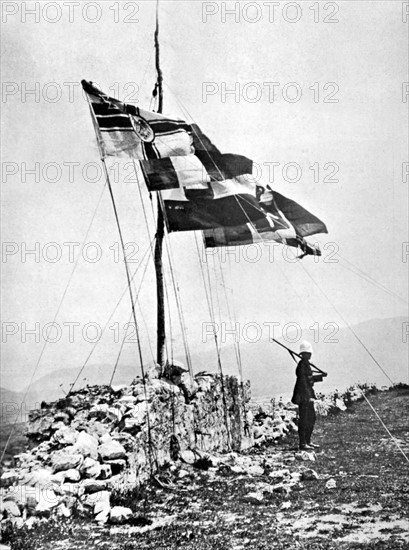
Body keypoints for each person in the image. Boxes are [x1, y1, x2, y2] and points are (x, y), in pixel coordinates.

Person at [291, 341, 324, 450]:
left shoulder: (305, 365)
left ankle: (308, 441)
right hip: (303, 396)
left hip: (307, 394)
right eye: (308, 353)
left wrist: (320, 376)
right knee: (304, 419)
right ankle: (303, 443)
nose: (310, 355)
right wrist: (309, 396)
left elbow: (309, 379)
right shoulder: (302, 365)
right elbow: (303, 381)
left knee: (311, 418)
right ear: (303, 354)